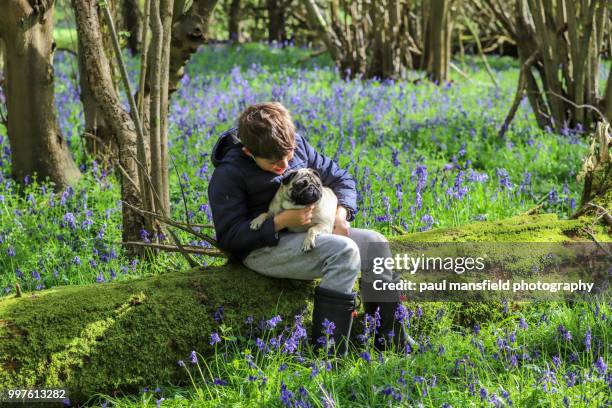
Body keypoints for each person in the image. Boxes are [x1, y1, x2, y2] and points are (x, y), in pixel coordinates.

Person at [208, 102, 410, 355]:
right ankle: (329, 354)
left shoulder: (297, 145)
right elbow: (229, 238)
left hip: (311, 234)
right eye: (275, 164)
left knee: (375, 242)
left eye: (289, 155)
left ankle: (392, 341)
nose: (285, 164)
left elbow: (341, 178)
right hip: (261, 249)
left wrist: (341, 213)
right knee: (344, 251)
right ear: (249, 152)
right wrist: (281, 222)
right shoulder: (229, 174)